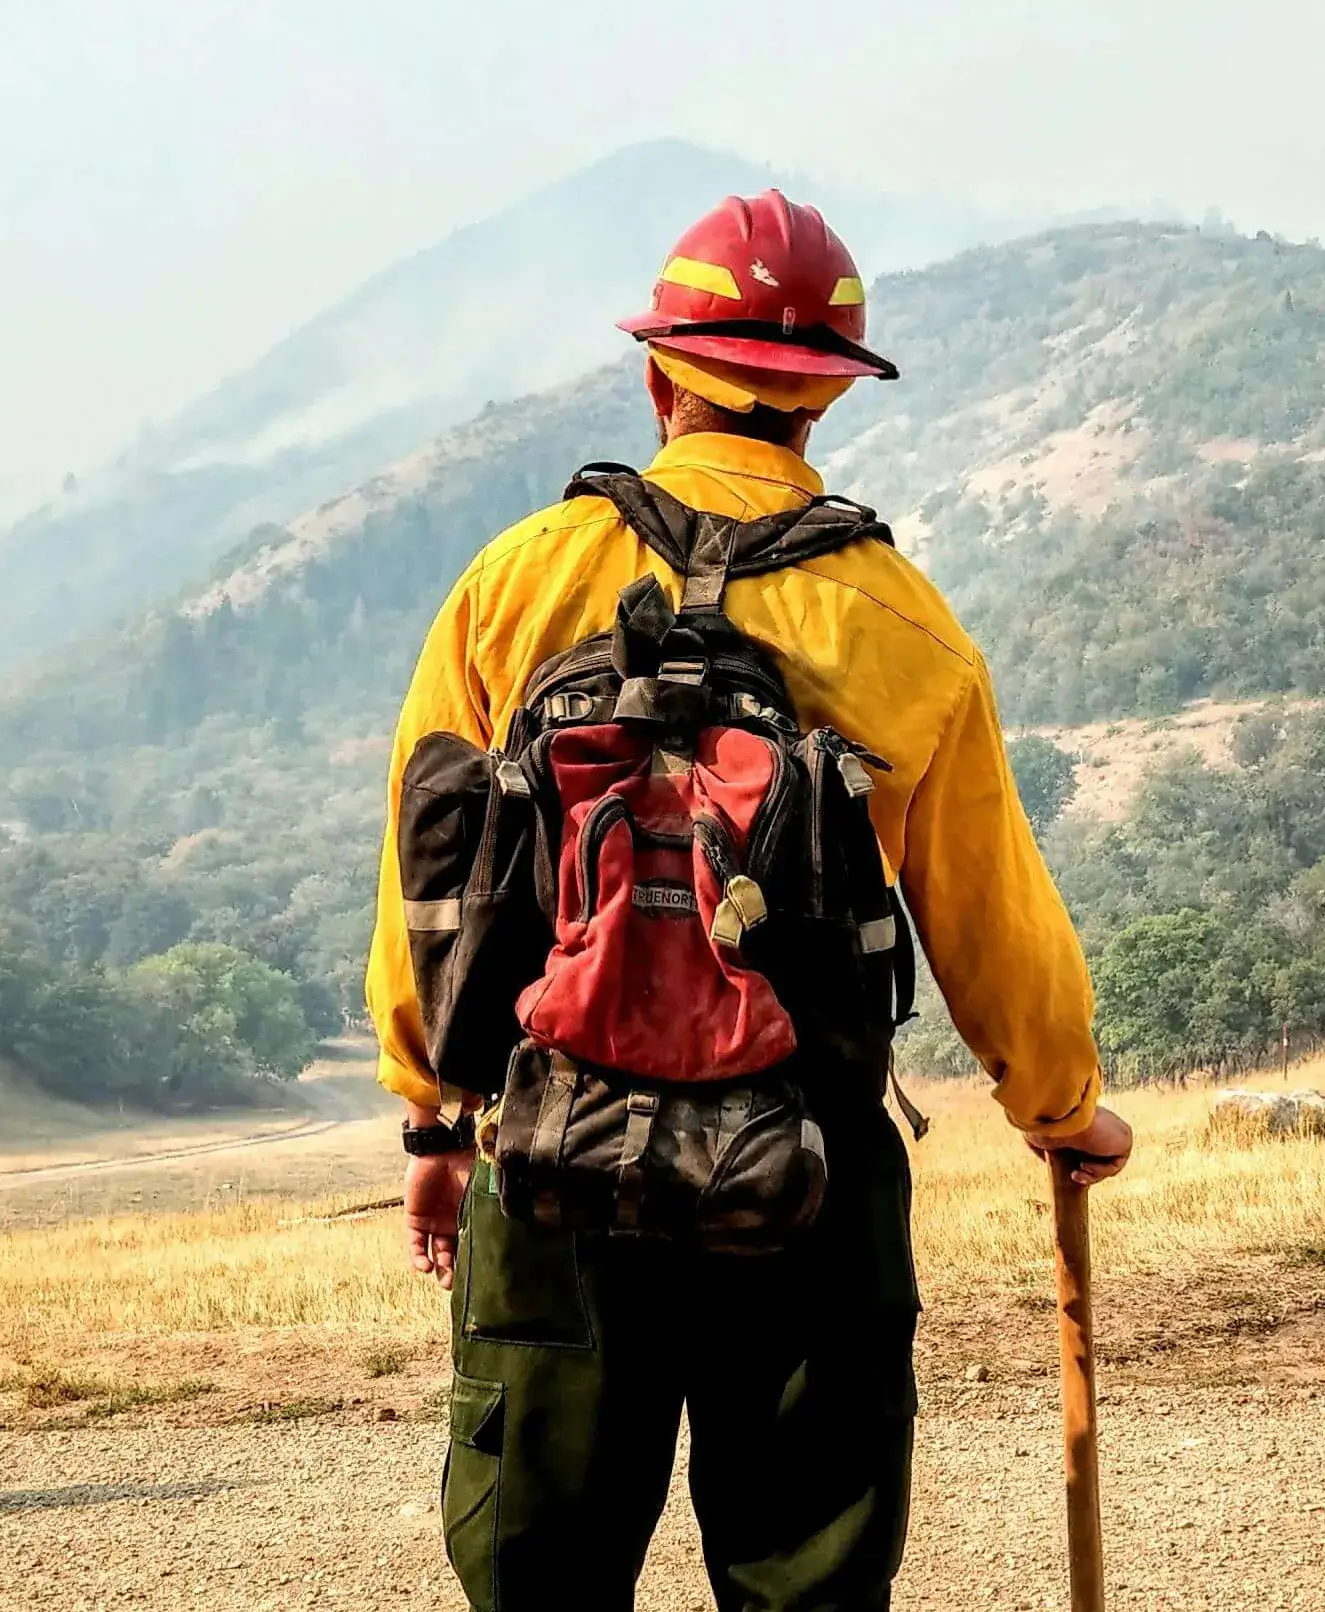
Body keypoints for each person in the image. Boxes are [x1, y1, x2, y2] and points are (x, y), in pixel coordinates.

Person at [366, 189, 1133, 1610]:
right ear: (824, 402)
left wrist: (433, 1111)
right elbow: (987, 913)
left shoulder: (514, 583)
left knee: (537, 1580)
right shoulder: (902, 623)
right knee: (805, 1580)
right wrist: (1060, 1104)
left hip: (553, 1153)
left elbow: (430, 869)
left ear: (661, 379)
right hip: (807, 1171)